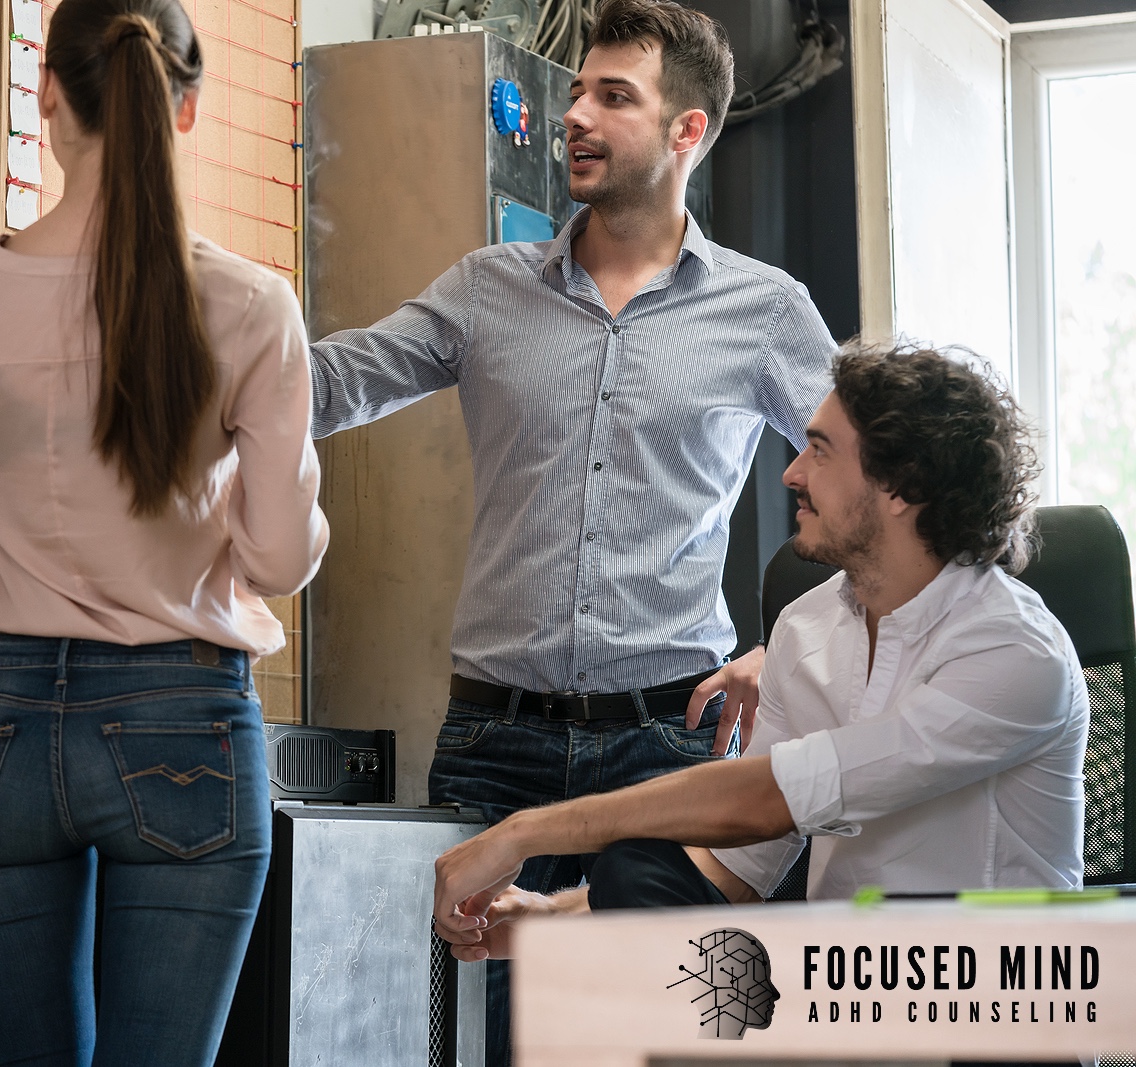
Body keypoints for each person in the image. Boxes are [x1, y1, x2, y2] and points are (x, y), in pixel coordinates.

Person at [308, 2, 837, 1058]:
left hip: (665, 747)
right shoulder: (486, 288)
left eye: (613, 96)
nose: (576, 115)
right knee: (480, 1041)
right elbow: (330, 384)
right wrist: (195, 327)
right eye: (579, 91)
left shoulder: (766, 312)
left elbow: (877, 487)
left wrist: (788, 647)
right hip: (492, 745)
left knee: (642, 1041)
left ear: (687, 130)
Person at [0, 1, 329, 1062]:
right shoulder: (251, 306)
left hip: (1, 724)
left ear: (45, 94)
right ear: (185, 108)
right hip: (185, 720)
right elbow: (281, 560)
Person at [432, 344, 1089, 966]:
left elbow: (770, 799)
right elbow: (740, 865)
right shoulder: (806, 628)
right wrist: (550, 916)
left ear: (901, 485)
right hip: (852, 1004)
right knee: (638, 870)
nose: (791, 473)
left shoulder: (1013, 650)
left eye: (820, 452)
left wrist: (522, 831)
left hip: (995, 1006)